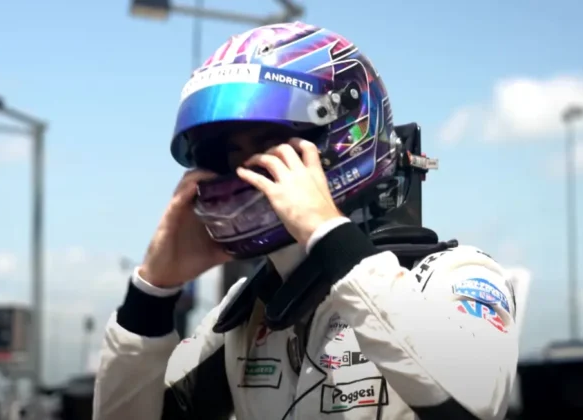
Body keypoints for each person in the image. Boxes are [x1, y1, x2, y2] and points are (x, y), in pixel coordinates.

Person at [93, 21, 522, 420]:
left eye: (269, 144)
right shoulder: (246, 314)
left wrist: (326, 231)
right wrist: (151, 296)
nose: (248, 168)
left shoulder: (452, 275)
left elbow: (475, 401)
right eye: (232, 153)